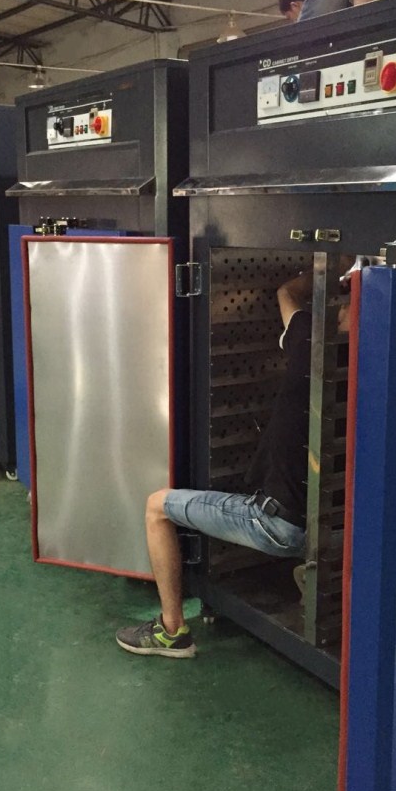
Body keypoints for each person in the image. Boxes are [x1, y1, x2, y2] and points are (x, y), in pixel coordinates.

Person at [116, 271, 315, 658]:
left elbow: (286, 291)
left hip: (277, 525)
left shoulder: (309, 343)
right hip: (329, 529)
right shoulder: (379, 367)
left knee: (156, 506)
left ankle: (171, 630)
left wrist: (331, 271)